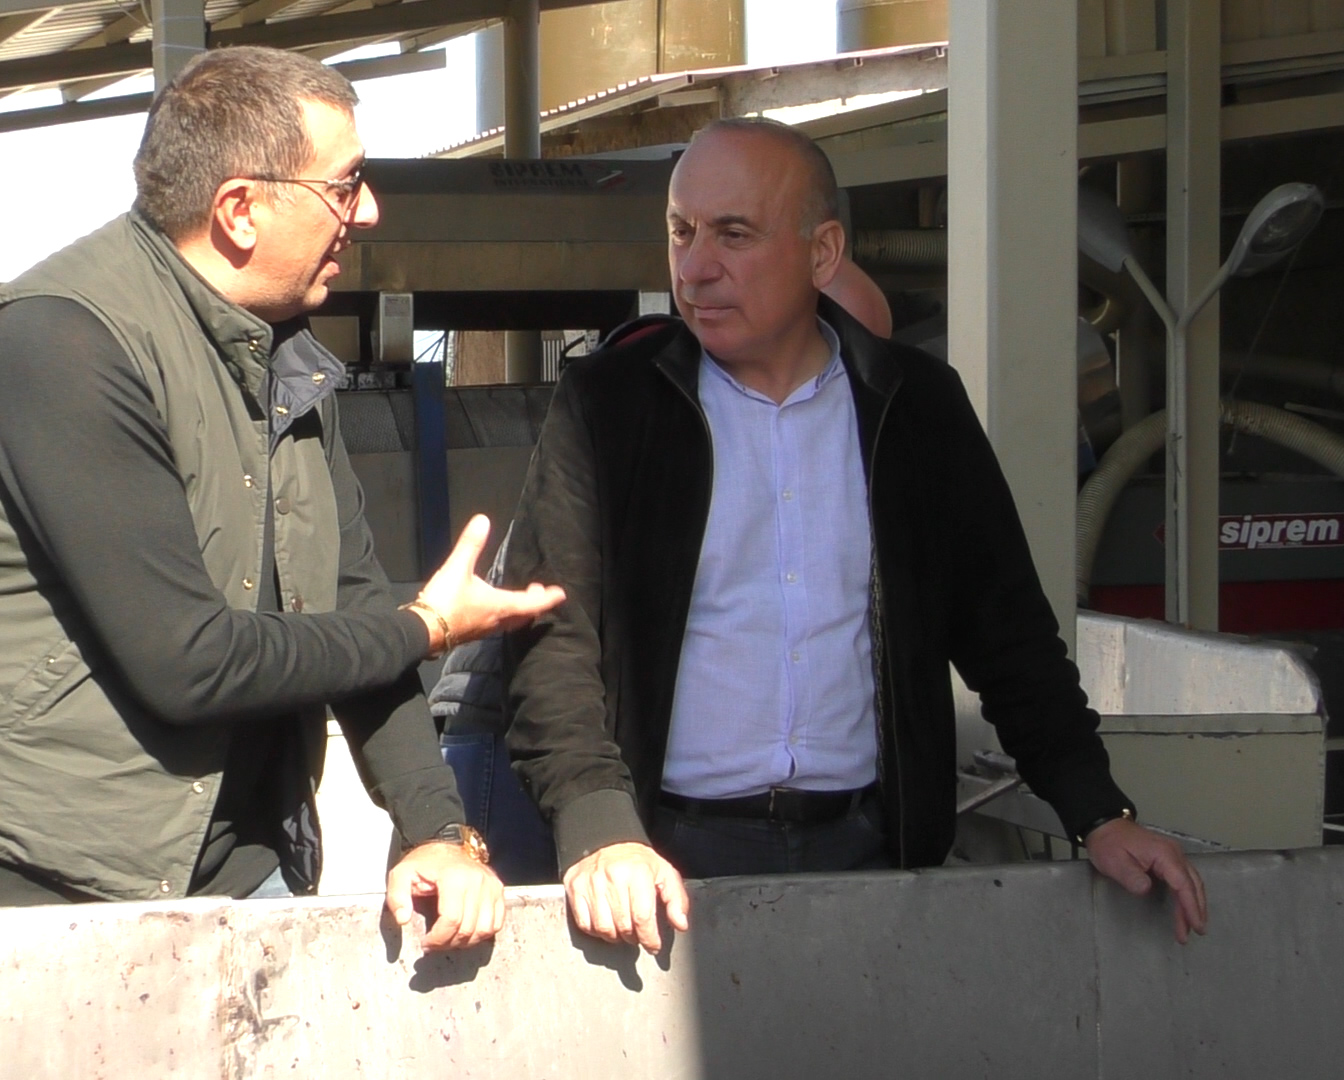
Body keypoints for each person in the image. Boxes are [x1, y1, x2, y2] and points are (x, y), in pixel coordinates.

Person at [0, 47, 562, 952]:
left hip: (222, 853)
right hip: (14, 852)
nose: (368, 211)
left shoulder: (282, 353)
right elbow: (188, 661)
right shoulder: (60, 344)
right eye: (345, 185)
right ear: (240, 210)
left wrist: (438, 832)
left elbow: (349, 602)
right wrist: (427, 628)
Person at [498, 117, 1209, 955]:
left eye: (734, 234)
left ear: (823, 252)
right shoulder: (609, 405)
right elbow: (549, 636)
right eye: (681, 232)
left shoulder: (916, 408)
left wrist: (1099, 812)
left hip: (875, 853)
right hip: (658, 862)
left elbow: (1009, 635)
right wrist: (597, 826)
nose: (694, 268)